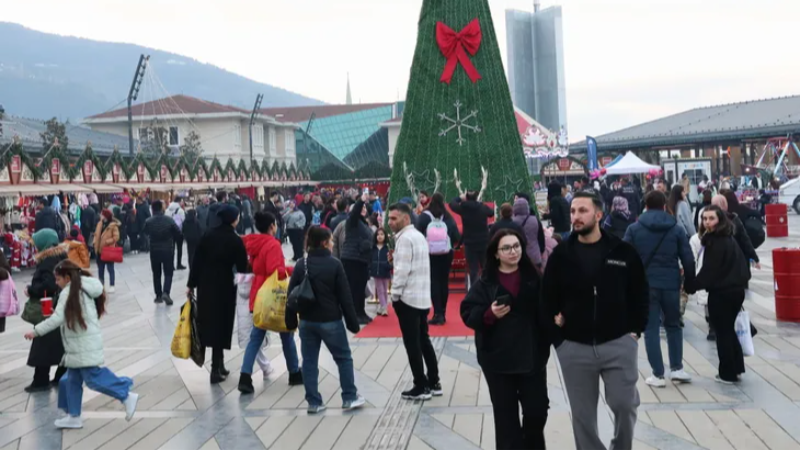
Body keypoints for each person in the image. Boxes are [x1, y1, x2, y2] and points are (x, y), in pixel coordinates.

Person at [542, 192, 648, 450]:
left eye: (582, 211)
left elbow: (641, 293)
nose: (576, 217)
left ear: (598, 215)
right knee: (582, 416)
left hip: (618, 343)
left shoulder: (622, 251)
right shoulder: (562, 254)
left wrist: (635, 332)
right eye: (573, 211)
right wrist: (559, 341)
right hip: (574, 347)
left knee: (625, 404)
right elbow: (546, 298)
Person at [461, 229, 550, 450]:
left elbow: (548, 308)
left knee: (536, 411)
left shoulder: (534, 277)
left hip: (532, 357)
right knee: (505, 418)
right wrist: (488, 314)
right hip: (498, 359)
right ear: (496, 254)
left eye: (517, 246)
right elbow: (468, 312)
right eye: (507, 248)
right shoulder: (486, 283)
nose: (513, 252)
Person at [24, 260, 139, 429]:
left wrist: (36, 331)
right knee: (71, 380)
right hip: (82, 343)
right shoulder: (83, 287)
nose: (56, 283)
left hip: (82, 345)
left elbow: (57, 319)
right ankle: (74, 416)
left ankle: (125, 393)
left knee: (93, 378)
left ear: (68, 277)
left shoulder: (69, 292)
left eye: (58, 279)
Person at [284, 226, 365, 413]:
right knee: (343, 358)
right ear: (323, 243)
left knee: (309, 361)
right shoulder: (335, 264)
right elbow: (345, 297)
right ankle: (349, 397)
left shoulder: (301, 264)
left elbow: (291, 296)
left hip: (307, 321)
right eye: (330, 241)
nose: (332, 244)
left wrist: (290, 321)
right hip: (330, 321)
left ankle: (314, 402)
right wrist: (353, 323)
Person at [624, 191, 695, 387]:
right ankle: (677, 368)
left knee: (651, 329)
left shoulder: (634, 229)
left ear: (645, 205)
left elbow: (624, 258)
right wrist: (690, 281)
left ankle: (658, 374)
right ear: (665, 205)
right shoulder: (676, 229)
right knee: (673, 325)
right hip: (671, 283)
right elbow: (687, 257)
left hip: (645, 286)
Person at [238, 212, 303, 393]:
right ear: (272, 226)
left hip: (258, 294)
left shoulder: (254, 243)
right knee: (287, 333)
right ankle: (294, 372)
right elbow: (276, 271)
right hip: (272, 297)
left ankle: (245, 376)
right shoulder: (272, 244)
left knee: (256, 337)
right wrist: (294, 270)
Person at [689, 206, 751, 383]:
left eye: (711, 218)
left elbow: (710, 270)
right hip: (734, 290)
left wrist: (692, 285)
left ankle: (727, 372)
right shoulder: (727, 238)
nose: (707, 222)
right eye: (705, 218)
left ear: (720, 220)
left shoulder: (716, 241)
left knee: (722, 332)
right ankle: (736, 367)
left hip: (722, 292)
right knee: (728, 330)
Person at [188, 205, 248, 383]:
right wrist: (245, 288)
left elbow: (196, 260)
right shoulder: (234, 239)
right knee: (221, 325)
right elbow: (242, 267)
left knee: (210, 324)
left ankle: (220, 364)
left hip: (206, 285)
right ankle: (215, 368)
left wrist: (191, 284)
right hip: (225, 286)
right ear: (233, 220)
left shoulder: (208, 234)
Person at [387, 203, 441, 400]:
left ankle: (421, 385)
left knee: (413, 344)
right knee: (423, 340)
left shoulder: (404, 239)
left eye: (394, 218)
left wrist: (395, 295)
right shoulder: (418, 236)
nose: (390, 222)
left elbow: (401, 271)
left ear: (406, 218)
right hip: (421, 297)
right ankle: (434, 381)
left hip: (408, 298)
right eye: (389, 218)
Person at [25, 229, 68, 393]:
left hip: (48, 308)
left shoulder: (48, 260)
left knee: (42, 344)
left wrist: (32, 289)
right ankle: (61, 375)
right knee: (59, 343)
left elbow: (50, 284)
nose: (35, 247)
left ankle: (41, 380)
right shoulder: (60, 256)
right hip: (57, 306)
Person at [416, 193, 461, 325]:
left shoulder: (424, 216)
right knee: (443, 281)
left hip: (429, 254)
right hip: (446, 253)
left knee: (433, 281)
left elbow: (418, 234)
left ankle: (437, 313)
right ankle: (443, 312)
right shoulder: (447, 216)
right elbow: (457, 237)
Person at [338, 195, 374, 325]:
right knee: (354, 288)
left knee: (361, 288)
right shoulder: (352, 221)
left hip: (362, 259)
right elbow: (354, 212)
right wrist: (361, 200)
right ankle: (354, 314)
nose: (364, 209)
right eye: (362, 207)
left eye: (365, 207)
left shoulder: (363, 223)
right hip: (352, 259)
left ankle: (361, 312)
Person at [450, 191, 493, 288]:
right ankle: (488, 289)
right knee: (485, 267)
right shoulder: (482, 207)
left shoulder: (464, 208)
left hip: (470, 243)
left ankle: (475, 291)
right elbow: (491, 213)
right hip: (483, 242)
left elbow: (452, 204)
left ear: (467, 197)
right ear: (476, 197)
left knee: (473, 270)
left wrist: (460, 198)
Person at [143, 201, 181, 305]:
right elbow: (178, 232)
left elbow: (145, 232)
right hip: (168, 249)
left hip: (154, 250)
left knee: (156, 273)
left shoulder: (148, 221)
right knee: (168, 273)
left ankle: (158, 296)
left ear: (153, 209)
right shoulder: (169, 220)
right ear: (161, 208)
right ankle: (166, 292)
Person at [708, 195, 760, 269]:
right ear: (725, 204)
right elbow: (745, 240)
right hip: (736, 262)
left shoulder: (708, 223)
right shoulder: (734, 219)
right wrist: (755, 258)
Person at [93, 210, 120, 294]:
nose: (100, 216)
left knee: (110, 269)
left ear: (106, 216)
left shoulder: (113, 225)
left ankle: (112, 285)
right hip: (99, 250)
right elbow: (96, 234)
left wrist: (107, 242)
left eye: (102, 214)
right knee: (100, 269)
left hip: (108, 250)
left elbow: (116, 237)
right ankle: (101, 286)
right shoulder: (99, 223)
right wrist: (94, 242)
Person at [512, 198, 543, 271]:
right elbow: (541, 239)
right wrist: (540, 251)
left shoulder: (512, 222)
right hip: (534, 256)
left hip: (518, 257)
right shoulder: (535, 220)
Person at [370, 228, 392, 317]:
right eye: (378, 234)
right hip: (376, 271)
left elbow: (391, 260)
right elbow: (370, 259)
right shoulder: (373, 248)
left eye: (382, 234)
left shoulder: (387, 248)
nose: (380, 236)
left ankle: (382, 307)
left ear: (385, 236)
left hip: (385, 271)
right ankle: (384, 307)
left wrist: (390, 266)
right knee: (380, 289)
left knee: (384, 290)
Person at [166, 197, 187, 270]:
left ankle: (171, 265)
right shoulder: (180, 210)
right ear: (179, 201)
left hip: (170, 231)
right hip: (178, 231)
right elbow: (183, 221)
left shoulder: (167, 209)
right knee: (179, 249)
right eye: (182, 201)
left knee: (171, 249)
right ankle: (179, 264)